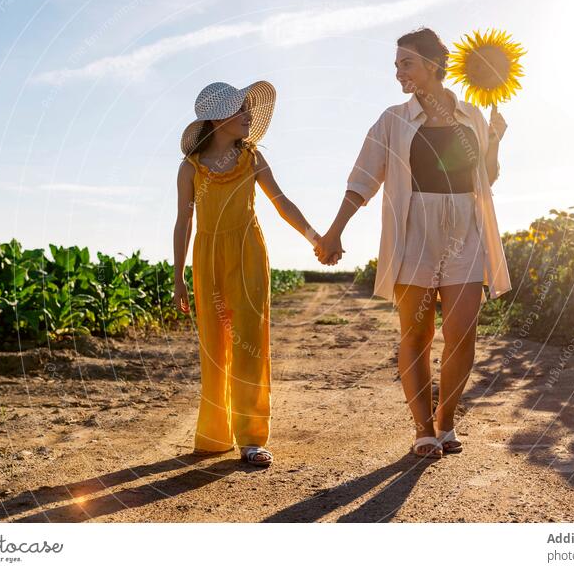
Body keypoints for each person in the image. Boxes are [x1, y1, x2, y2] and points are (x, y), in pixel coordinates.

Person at [315, 27, 512, 459]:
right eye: (396, 65)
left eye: (406, 63)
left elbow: (485, 177)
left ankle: (447, 421)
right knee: (417, 333)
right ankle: (423, 428)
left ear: (432, 66)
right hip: (414, 232)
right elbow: (363, 179)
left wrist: (495, 140)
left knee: (462, 335)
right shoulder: (393, 120)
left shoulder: (472, 117)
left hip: (466, 229)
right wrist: (335, 230)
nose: (398, 72)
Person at [172, 81, 321, 467]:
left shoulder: (251, 158)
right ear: (220, 118)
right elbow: (183, 223)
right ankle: (215, 434)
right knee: (214, 346)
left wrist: (314, 236)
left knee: (250, 342)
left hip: (248, 252)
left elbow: (281, 201)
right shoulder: (189, 169)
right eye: (242, 111)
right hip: (207, 257)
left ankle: (252, 438)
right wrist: (177, 277)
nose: (250, 117)